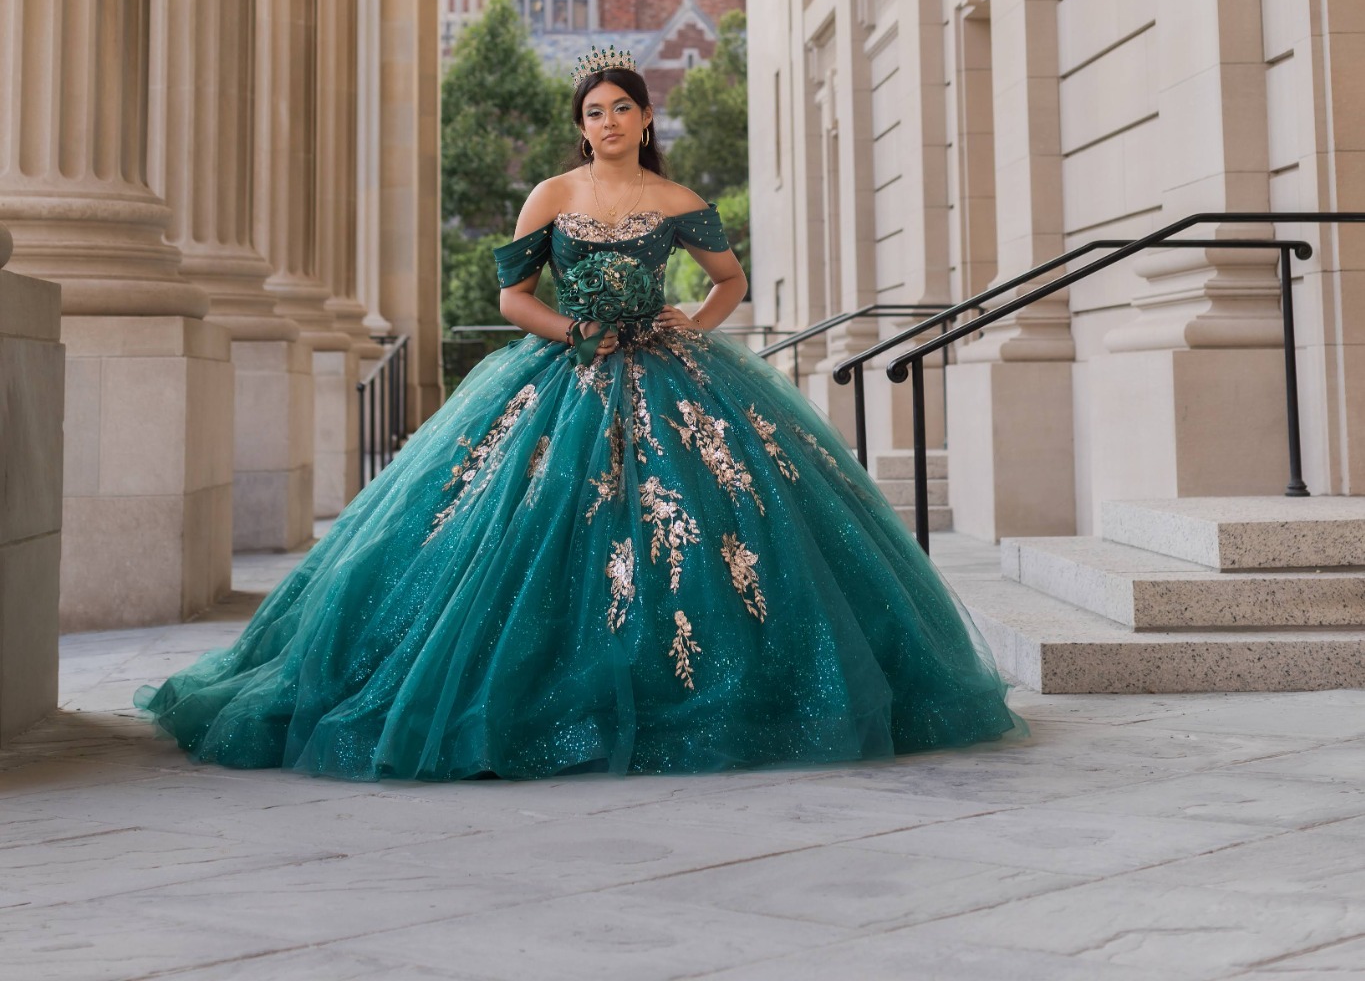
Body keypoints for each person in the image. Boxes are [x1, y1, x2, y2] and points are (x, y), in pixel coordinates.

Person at [137, 44, 1020, 778]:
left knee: (706, 526)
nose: (606, 122)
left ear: (644, 118)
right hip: (562, 368)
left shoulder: (678, 204)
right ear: (581, 125)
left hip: (671, 373)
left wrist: (693, 322)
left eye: (620, 108)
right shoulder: (551, 197)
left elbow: (729, 282)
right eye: (592, 110)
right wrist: (574, 330)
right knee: (507, 523)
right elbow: (514, 296)